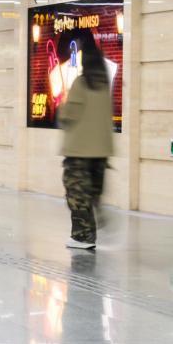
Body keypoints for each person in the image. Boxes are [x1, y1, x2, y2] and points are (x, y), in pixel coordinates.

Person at [58, 28, 114, 250]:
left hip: (79, 151)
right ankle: (90, 230)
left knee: (77, 195)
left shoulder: (81, 84)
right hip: (101, 152)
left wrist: (62, 109)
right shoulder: (104, 85)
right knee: (91, 194)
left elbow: (69, 115)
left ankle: (82, 237)